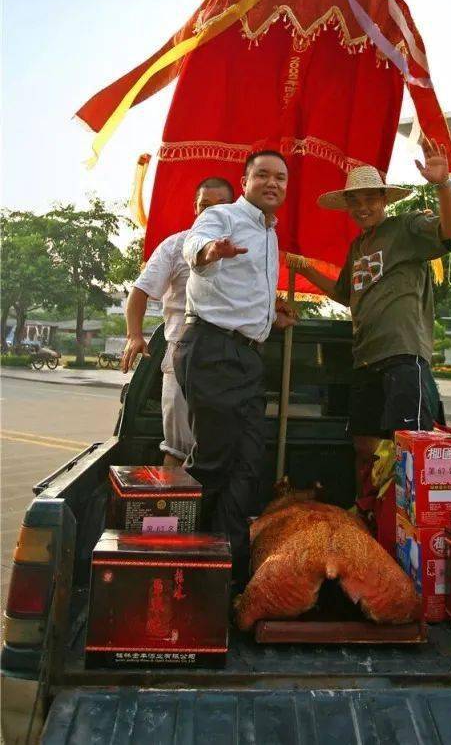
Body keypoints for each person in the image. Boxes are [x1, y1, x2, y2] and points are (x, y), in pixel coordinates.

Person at [287, 136, 451, 486]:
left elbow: (450, 232)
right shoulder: (358, 246)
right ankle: (367, 511)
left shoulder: (406, 227)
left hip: (402, 352)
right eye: (356, 201)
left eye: (370, 199)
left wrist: (442, 185)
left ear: (384, 200)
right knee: (364, 446)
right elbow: (344, 293)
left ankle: (404, 528)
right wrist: (305, 268)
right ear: (347, 206)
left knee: (407, 446)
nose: (363, 208)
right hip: (364, 357)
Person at [175, 150, 296, 589]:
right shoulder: (223, 216)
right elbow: (196, 243)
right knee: (213, 462)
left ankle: (226, 573)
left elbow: (244, 292)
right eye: (262, 175)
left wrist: (269, 315)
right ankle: (185, 569)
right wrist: (208, 251)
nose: (272, 183)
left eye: (280, 178)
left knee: (248, 464)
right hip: (212, 350)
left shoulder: (269, 234)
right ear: (244, 180)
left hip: (245, 356)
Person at [121, 177, 234, 466]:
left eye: (222, 205)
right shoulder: (175, 246)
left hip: (229, 360)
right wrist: (134, 335)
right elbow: (140, 292)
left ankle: (210, 512)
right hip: (181, 357)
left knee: (220, 454)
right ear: (195, 209)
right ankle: (170, 511)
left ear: (233, 209)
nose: (212, 212)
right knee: (176, 450)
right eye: (205, 205)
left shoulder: (246, 251)